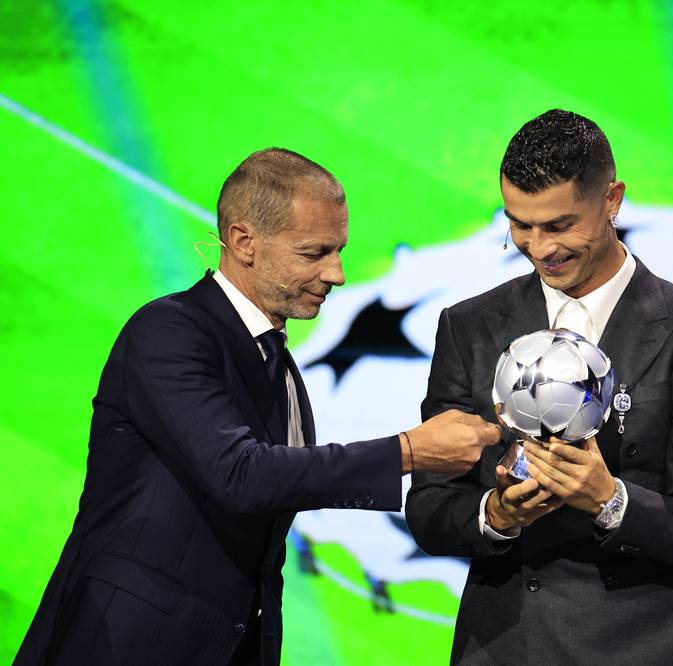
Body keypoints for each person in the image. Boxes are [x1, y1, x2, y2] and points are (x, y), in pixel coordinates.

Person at [15, 148, 498, 666]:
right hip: (130, 642)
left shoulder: (280, 363)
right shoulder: (169, 332)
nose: (337, 273)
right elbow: (240, 474)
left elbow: (282, 489)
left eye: (339, 250)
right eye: (314, 254)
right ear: (244, 242)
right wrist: (407, 452)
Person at [405, 110, 673, 664]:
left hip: (637, 647)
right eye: (520, 225)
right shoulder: (468, 328)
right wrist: (496, 515)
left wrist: (610, 501)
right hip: (502, 646)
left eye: (560, 226)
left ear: (612, 199)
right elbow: (428, 508)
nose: (539, 248)